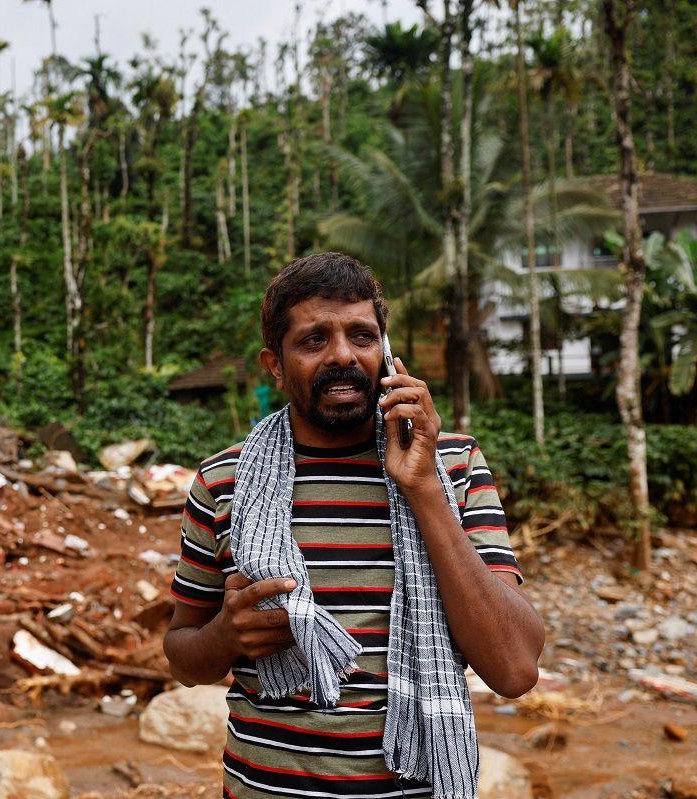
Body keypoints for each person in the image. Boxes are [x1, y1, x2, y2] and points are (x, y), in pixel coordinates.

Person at [163, 252, 544, 799]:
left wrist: (424, 490)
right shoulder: (223, 482)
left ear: (386, 351)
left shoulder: (454, 466)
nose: (343, 355)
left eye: (362, 336)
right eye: (314, 340)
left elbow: (514, 670)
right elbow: (182, 655)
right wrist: (224, 636)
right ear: (274, 363)